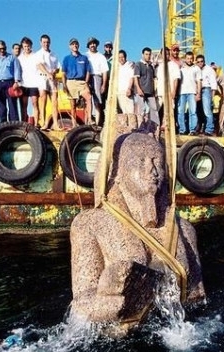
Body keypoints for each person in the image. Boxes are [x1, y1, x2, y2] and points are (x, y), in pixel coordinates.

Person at [69, 132, 205, 324]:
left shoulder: (184, 229)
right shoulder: (89, 224)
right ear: (117, 173)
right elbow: (81, 304)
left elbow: (197, 297)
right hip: (116, 335)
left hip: (171, 331)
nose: (152, 170)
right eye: (140, 161)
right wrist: (108, 301)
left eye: (157, 161)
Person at [0, 39, 23, 123]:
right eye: (0, 49)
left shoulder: (12, 58)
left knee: (12, 104)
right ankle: (3, 122)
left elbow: (17, 70)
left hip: (9, 83)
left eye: (3, 48)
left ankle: (14, 122)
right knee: (1, 105)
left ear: (6, 48)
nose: (2, 50)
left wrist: (16, 82)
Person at [61, 37, 92, 128]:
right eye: (73, 44)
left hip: (82, 82)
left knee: (89, 98)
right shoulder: (66, 58)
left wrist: (86, 82)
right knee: (73, 105)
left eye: (76, 44)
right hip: (71, 82)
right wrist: (64, 84)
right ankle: (74, 124)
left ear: (78, 45)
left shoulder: (84, 58)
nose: (75, 45)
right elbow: (63, 73)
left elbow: (88, 71)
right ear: (70, 46)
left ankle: (89, 120)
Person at [35, 34, 60, 130]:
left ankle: (55, 124)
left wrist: (54, 71)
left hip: (52, 79)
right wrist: (47, 73)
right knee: (43, 99)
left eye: (47, 42)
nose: (46, 44)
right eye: (44, 42)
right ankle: (44, 123)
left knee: (54, 101)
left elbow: (57, 67)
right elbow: (39, 65)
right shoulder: (39, 53)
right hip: (43, 78)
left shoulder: (53, 54)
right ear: (41, 43)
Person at [133, 46, 160, 127]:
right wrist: (138, 89)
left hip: (150, 91)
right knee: (141, 110)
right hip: (141, 90)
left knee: (154, 109)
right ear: (142, 55)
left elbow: (154, 79)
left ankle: (155, 126)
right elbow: (136, 78)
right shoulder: (138, 64)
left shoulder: (151, 66)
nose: (148, 56)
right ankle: (140, 126)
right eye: (146, 54)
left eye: (149, 54)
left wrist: (154, 91)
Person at [177, 51, 202, 135]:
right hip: (182, 92)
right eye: (188, 58)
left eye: (191, 59)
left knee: (193, 111)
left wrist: (198, 93)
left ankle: (192, 130)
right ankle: (182, 129)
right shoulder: (181, 68)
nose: (189, 60)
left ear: (193, 59)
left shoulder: (196, 68)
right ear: (185, 58)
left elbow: (199, 81)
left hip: (192, 92)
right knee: (180, 111)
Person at [86, 37, 109, 126]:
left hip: (97, 77)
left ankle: (97, 122)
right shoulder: (85, 55)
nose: (92, 45)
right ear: (88, 45)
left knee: (97, 101)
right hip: (87, 78)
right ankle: (88, 121)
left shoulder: (101, 56)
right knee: (87, 100)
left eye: (94, 43)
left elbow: (104, 72)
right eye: (91, 43)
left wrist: (104, 84)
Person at [18, 36, 40, 126]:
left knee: (35, 103)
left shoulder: (35, 56)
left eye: (28, 46)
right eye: (25, 46)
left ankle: (36, 123)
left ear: (31, 46)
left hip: (34, 83)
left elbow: (39, 67)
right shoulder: (19, 58)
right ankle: (23, 123)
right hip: (23, 84)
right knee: (24, 105)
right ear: (22, 47)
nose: (27, 48)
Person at [196, 54, 217, 135]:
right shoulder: (196, 69)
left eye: (201, 61)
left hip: (206, 89)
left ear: (204, 61)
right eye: (198, 62)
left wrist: (212, 96)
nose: (200, 63)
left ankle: (209, 129)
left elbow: (213, 84)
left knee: (207, 110)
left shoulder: (209, 70)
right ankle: (199, 128)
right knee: (198, 110)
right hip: (197, 90)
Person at [115, 49, 135, 115]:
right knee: (124, 111)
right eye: (119, 57)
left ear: (125, 57)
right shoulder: (116, 66)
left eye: (122, 57)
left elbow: (131, 77)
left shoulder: (129, 65)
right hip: (119, 91)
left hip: (127, 91)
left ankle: (131, 125)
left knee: (130, 111)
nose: (121, 59)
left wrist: (129, 88)